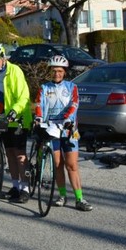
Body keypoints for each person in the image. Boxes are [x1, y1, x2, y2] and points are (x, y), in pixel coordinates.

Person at [34, 55, 93, 211]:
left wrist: (67, 119)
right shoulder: (44, 88)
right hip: (51, 129)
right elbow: (39, 105)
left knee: (72, 165)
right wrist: (38, 119)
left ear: (64, 72)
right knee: (57, 165)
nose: (57, 74)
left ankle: (80, 199)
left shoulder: (72, 87)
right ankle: (62, 195)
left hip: (68, 129)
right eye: (54, 71)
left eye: (60, 71)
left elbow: (74, 104)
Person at [0, 42, 32, 203]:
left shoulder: (15, 71)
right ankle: (15, 186)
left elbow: (23, 96)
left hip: (18, 119)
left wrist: (14, 111)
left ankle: (25, 188)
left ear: (3, 57)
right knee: (10, 154)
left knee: (20, 155)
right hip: (4, 120)